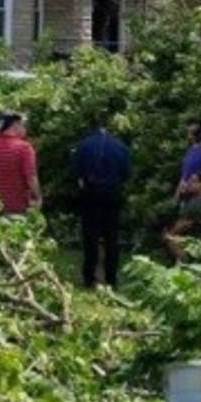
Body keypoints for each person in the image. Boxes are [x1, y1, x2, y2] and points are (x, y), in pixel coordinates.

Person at [72, 116, 132, 288]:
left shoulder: (83, 145)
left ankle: (89, 277)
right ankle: (111, 277)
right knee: (111, 237)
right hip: (113, 192)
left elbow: (76, 171)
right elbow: (127, 173)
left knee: (90, 236)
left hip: (91, 193)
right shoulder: (121, 146)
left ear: (92, 127)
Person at [0, 113, 42, 215]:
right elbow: (31, 176)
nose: (25, 129)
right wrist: (38, 197)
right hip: (18, 204)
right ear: (16, 124)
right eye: (24, 125)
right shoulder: (24, 148)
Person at [163, 171, 201, 262]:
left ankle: (186, 263)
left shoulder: (195, 203)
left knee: (170, 239)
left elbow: (183, 224)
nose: (189, 183)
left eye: (193, 181)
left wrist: (169, 234)